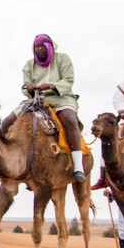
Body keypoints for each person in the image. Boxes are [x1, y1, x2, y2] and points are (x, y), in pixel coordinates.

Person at [21, 34, 85, 182]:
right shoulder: (29, 65)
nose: (38, 50)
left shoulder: (63, 59)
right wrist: (29, 88)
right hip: (37, 100)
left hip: (61, 98)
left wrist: (51, 86)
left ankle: (78, 166)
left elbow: (68, 80)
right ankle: (4, 167)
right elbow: (25, 86)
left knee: (69, 119)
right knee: (10, 121)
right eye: (36, 47)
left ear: (49, 47)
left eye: (41, 47)